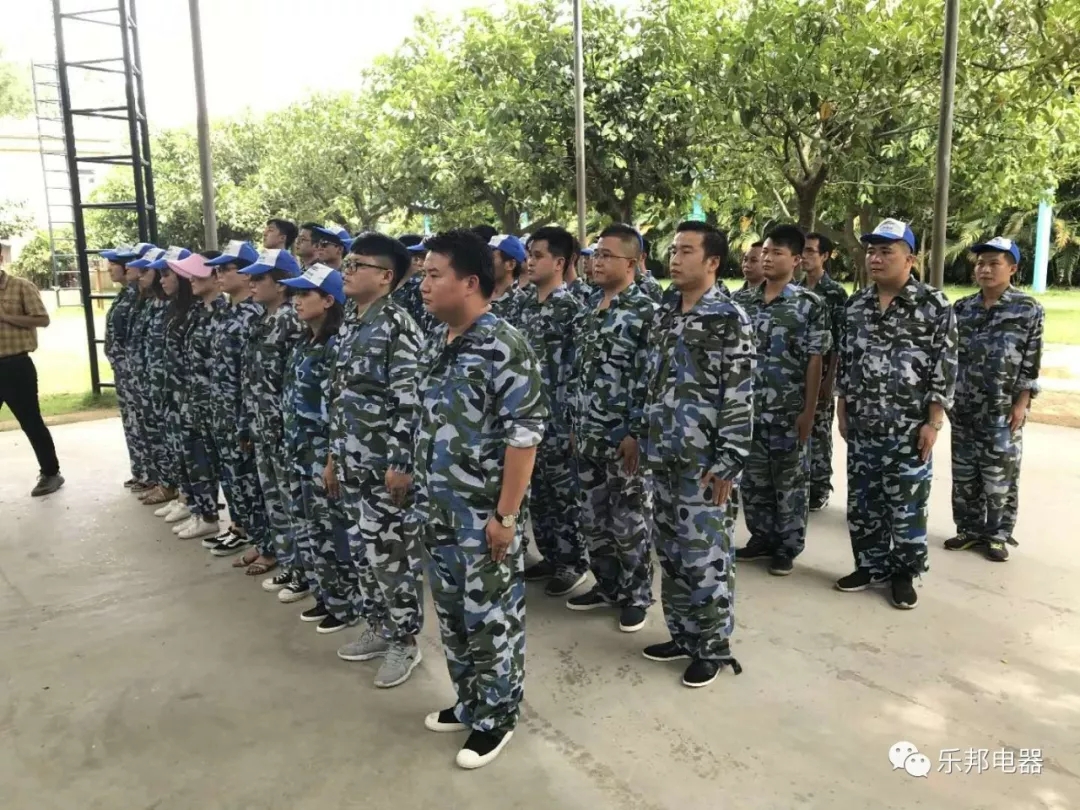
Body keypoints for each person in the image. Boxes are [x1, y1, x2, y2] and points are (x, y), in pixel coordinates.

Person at [415, 229, 546, 770]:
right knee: (453, 616)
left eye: (434, 274)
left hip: (481, 515)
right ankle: (469, 701)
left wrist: (506, 515)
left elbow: (524, 437)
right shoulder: (438, 339)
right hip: (437, 509)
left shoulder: (504, 345)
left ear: (470, 282)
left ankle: (497, 717)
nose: (423, 284)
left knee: (490, 618)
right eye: (423, 274)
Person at [638, 220, 752, 687]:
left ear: (712, 261)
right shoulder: (665, 312)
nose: (675, 258)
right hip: (663, 454)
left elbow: (740, 393)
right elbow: (651, 381)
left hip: (704, 462)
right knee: (671, 552)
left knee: (706, 555)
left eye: (686, 251)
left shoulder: (729, 317)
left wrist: (729, 461)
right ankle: (683, 634)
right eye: (673, 250)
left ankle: (712, 647)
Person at [835, 219, 957, 609]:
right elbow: (846, 362)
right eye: (871, 251)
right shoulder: (856, 305)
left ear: (910, 259)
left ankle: (904, 572)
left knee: (907, 505)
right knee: (864, 502)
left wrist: (933, 422)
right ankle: (869, 566)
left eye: (886, 251)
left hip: (909, 427)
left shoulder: (934, 305)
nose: (875, 258)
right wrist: (842, 408)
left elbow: (944, 366)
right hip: (864, 423)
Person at [328, 233, 426, 688]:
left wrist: (401, 464)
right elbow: (341, 396)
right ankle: (379, 627)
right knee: (364, 554)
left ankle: (405, 640)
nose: (347, 271)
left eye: (357, 265)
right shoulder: (353, 320)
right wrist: (333, 457)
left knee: (392, 557)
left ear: (385, 276)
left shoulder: (397, 326)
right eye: (347, 263)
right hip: (352, 463)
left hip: (384, 468)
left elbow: (409, 402)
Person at [566, 222, 656, 633]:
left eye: (606, 255)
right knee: (592, 519)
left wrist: (637, 432)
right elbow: (580, 373)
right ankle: (607, 585)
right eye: (595, 254)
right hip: (588, 435)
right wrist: (576, 423)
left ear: (632, 263)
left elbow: (651, 380)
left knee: (629, 523)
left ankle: (636, 596)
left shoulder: (645, 313)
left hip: (623, 440)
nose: (596, 262)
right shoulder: (590, 308)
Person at [734, 226, 829, 575]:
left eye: (776, 253)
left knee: (789, 483)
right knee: (754, 480)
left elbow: (816, 360)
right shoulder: (743, 303)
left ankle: (787, 547)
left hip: (789, 411)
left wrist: (809, 411)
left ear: (796, 260)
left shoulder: (809, 304)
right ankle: (761, 537)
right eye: (765, 252)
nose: (767, 258)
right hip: (749, 410)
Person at [948, 237, 1044, 562]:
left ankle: (998, 535)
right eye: (980, 263)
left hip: (1002, 409)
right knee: (965, 474)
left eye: (994, 263)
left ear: (1012, 269)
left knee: (1000, 475)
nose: (985, 269)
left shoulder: (1027, 308)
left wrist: (1022, 403)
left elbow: (1031, 361)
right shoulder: (962, 308)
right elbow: (949, 358)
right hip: (963, 407)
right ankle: (968, 529)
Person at [280, 264, 361, 635]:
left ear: (329, 300)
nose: (296, 301)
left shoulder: (336, 347)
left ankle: (347, 604)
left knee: (333, 531)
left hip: (322, 456)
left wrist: (332, 461)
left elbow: (339, 410)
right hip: (301, 453)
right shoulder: (305, 343)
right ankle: (326, 595)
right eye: (295, 294)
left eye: (305, 294)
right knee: (311, 528)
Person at [518, 226, 589, 596]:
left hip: (559, 419)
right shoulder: (523, 305)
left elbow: (579, 371)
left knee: (563, 496)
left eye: (538, 256)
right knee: (539, 495)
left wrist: (574, 423)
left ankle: (572, 562)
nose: (530, 262)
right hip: (528, 417)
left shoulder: (572, 309)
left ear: (560, 263)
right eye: (529, 255)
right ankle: (550, 555)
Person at [238, 250, 308, 598]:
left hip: (282, 431)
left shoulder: (291, 321)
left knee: (293, 502)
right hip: (262, 427)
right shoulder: (263, 319)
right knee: (275, 500)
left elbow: (293, 383)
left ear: (281, 285)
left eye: (259, 278)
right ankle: (289, 563)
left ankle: (304, 571)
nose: (251, 283)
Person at [204, 242, 273, 571]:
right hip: (224, 412)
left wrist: (245, 420)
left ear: (246, 275)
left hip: (241, 414)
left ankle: (269, 546)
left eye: (226, 269)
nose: (218, 274)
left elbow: (251, 376)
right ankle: (256, 537)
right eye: (216, 269)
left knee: (252, 485)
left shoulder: (252, 316)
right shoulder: (228, 312)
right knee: (236, 483)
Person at [164, 249, 225, 543]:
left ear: (215, 276)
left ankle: (209, 515)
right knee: (194, 457)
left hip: (212, 405)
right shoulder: (199, 312)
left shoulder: (223, 314)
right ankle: (200, 511)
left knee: (208, 462)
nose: (190, 279)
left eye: (197, 273)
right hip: (192, 400)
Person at [0, 249, 63, 496]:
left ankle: (51, 473)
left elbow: (42, 319)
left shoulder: (20, 287)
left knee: (31, 422)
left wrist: (6, 317)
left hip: (16, 366)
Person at [799, 232, 849, 511]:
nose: (804, 256)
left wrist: (830, 381)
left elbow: (840, 341)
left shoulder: (834, 293)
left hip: (825, 371)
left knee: (819, 431)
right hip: (799, 373)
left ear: (825, 256)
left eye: (810, 251)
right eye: (802, 251)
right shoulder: (795, 289)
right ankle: (801, 482)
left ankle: (819, 486)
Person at [101, 244, 148, 488]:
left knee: (140, 422)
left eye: (114, 264)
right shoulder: (126, 294)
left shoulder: (136, 296)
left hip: (133, 371)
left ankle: (150, 474)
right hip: (123, 370)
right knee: (131, 421)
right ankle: (140, 470)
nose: (109, 269)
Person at [394, 236, 435, 334]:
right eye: (417, 258)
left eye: (423, 257)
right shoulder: (391, 284)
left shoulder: (419, 287)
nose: (420, 263)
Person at [487, 234, 527, 324]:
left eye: (491, 258)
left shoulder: (522, 303)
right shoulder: (478, 294)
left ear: (510, 265)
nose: (485, 263)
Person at [732, 241, 764, 306]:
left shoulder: (776, 298)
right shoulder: (733, 297)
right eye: (745, 259)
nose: (746, 265)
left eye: (754, 260)